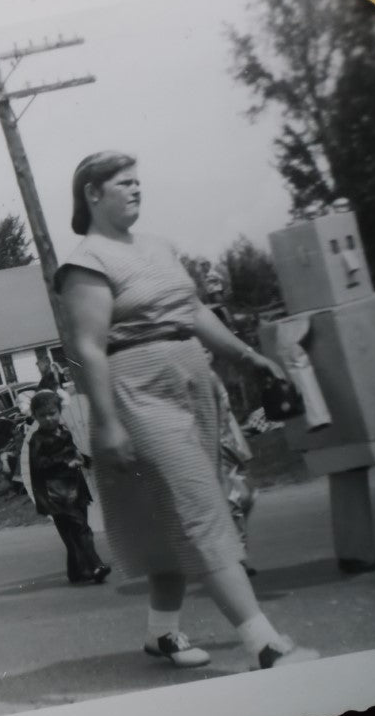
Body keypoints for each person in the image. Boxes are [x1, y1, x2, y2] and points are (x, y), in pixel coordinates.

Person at [56, 150, 318, 670]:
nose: (137, 191)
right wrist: (106, 423)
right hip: (138, 389)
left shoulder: (158, 247)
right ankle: (264, 644)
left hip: (193, 382)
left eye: (139, 183)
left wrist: (248, 356)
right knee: (200, 510)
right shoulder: (86, 263)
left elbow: (192, 312)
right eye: (124, 184)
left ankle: (162, 633)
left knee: (171, 514)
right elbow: (88, 347)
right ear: (93, 194)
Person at [28, 391, 110, 585]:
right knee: (81, 529)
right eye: (42, 415)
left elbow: (74, 453)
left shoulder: (65, 432)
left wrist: (85, 460)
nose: (48, 419)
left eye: (52, 413)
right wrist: (65, 462)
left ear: (60, 411)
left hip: (76, 487)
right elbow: (38, 465)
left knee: (73, 532)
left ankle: (76, 572)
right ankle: (96, 565)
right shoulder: (37, 440)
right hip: (56, 493)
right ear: (35, 417)